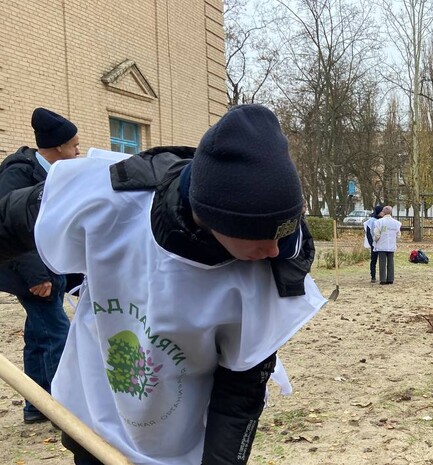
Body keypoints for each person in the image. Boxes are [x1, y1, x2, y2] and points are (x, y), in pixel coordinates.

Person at [0, 104, 325, 465]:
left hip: (179, 444)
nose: (274, 250)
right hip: (92, 418)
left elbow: (239, 395)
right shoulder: (111, 197)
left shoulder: (264, 275)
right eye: (260, 236)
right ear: (214, 218)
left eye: (284, 232)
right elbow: (10, 221)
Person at [0, 108, 79, 424]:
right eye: (74, 145)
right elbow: (9, 227)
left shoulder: (54, 174)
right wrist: (36, 275)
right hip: (32, 275)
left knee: (39, 334)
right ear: (59, 146)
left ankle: (37, 405)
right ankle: (64, 408)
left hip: (52, 270)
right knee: (58, 333)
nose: (77, 151)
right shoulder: (16, 175)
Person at [373, 205, 401, 285]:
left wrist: (375, 241)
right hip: (391, 245)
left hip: (381, 245)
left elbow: (376, 234)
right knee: (390, 262)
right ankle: (390, 278)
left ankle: (383, 279)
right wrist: (394, 240)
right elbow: (398, 235)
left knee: (382, 262)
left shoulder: (379, 222)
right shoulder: (396, 223)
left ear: (383, 212)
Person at [363, 205, 384, 283]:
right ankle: (373, 276)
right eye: (382, 211)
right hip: (374, 243)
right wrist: (372, 243)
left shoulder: (383, 220)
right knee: (373, 260)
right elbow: (368, 233)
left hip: (382, 243)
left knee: (382, 260)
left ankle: (383, 276)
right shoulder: (371, 221)